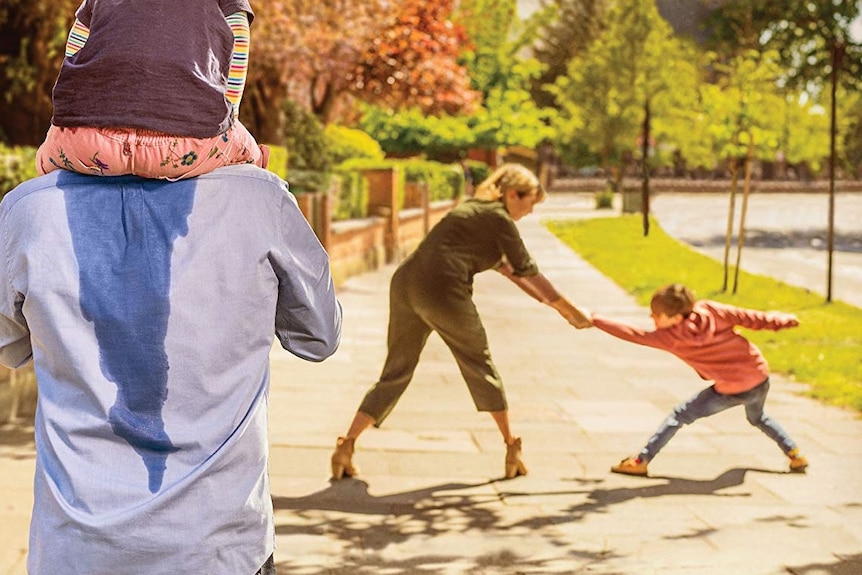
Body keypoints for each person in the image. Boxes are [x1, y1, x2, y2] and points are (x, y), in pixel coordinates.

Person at [0, 165, 342, 574]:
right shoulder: (257, 198)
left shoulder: (30, 207)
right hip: (217, 546)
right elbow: (319, 336)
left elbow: (10, 347)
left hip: (78, 547)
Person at [330, 163, 590, 481]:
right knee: (479, 364)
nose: (531, 211)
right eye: (530, 202)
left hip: (406, 284)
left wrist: (557, 307)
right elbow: (526, 269)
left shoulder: (473, 210)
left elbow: (511, 273)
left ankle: (347, 444)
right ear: (512, 194)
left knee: (396, 371)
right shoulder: (498, 218)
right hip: (443, 289)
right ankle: (511, 447)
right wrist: (569, 308)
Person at [584, 283, 808, 477]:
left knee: (679, 416)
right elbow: (749, 317)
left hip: (731, 389)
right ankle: (795, 454)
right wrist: (781, 321)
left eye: (656, 314)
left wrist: (595, 319)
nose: (651, 317)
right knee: (758, 418)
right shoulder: (711, 310)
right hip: (759, 377)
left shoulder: (670, 337)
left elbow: (632, 334)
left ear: (675, 317)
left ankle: (640, 462)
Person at [35, 0, 268, 180]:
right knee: (251, 154)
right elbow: (239, 35)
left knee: (45, 156)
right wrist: (231, 112)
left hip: (89, 146)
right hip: (183, 149)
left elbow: (76, 43)